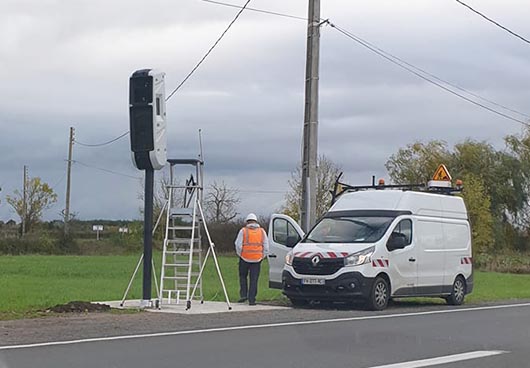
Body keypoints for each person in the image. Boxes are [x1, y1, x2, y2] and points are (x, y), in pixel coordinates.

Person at [234, 213, 269, 305]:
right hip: (257, 259)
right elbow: (266, 246)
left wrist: (241, 255)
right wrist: (262, 256)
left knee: (243, 277)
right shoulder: (262, 231)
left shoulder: (243, 231)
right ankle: (252, 299)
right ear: (256, 221)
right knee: (254, 279)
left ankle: (243, 295)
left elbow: (238, 245)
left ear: (247, 221)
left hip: (244, 258)